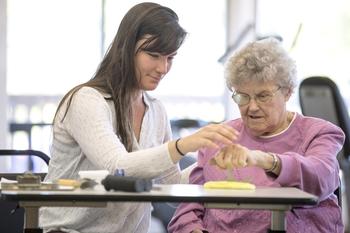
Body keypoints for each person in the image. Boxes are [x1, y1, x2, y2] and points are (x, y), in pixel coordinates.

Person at [39, 2, 237, 233]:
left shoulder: (156, 111)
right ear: (126, 48)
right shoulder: (87, 100)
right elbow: (117, 167)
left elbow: (170, 187)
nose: (163, 68)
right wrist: (183, 145)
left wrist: (208, 164)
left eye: (170, 58)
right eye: (153, 55)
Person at [168, 38, 345, 233]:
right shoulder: (220, 137)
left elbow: (321, 178)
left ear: (287, 92)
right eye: (242, 96)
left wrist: (264, 159)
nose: (251, 107)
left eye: (263, 96)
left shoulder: (318, 133)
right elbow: (188, 208)